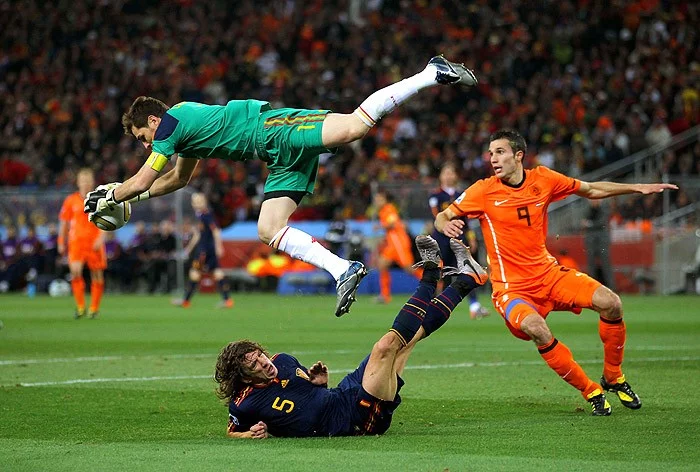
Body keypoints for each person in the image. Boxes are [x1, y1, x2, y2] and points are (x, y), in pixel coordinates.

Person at [83, 56, 478, 317]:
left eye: (143, 137)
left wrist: (111, 195)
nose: (146, 145)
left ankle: (430, 73)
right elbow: (178, 178)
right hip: (274, 155)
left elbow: (145, 175)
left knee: (353, 127)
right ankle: (343, 269)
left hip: (274, 129)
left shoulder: (170, 125)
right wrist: (135, 195)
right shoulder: (181, 129)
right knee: (268, 228)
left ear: (153, 122)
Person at [435, 129, 678, 415]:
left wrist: (636, 187)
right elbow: (443, 215)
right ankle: (591, 391)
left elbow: (591, 189)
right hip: (511, 289)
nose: (493, 159)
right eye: (491, 154)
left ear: (518, 155)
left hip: (549, 275)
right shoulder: (483, 190)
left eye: (500, 152)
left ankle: (613, 376)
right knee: (537, 328)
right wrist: (445, 224)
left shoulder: (544, 179)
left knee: (611, 303)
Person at [214, 235, 487, 438]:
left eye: (259, 355)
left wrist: (320, 384)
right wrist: (249, 434)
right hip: (354, 419)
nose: (264, 362)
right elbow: (231, 431)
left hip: (345, 392)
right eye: (254, 365)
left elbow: (309, 397)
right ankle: (431, 273)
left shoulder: (283, 361)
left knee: (410, 336)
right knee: (386, 346)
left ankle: (467, 280)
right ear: (245, 377)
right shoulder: (244, 403)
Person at [429, 163, 489, 319]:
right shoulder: (436, 195)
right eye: (445, 173)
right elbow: (436, 216)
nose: (448, 176)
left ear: (455, 176)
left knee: (467, 270)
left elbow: (467, 221)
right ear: (441, 176)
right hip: (441, 239)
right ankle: (435, 306)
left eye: (451, 173)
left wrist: (471, 238)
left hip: (459, 238)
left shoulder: (462, 195)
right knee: (441, 273)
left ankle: (474, 306)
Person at [58, 168, 107, 319]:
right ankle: (80, 307)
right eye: (83, 181)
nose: (85, 183)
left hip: (94, 242)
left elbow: (107, 220)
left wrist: (101, 238)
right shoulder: (70, 200)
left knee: (97, 275)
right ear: (78, 182)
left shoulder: (100, 199)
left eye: (88, 181)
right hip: (76, 242)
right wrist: (61, 242)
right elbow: (64, 223)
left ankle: (94, 308)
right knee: (75, 273)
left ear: (92, 182)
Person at [173, 193, 233, 308]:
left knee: (194, 273)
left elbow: (216, 231)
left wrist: (219, 247)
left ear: (204, 202)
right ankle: (227, 300)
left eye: (199, 201)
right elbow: (197, 235)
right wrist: (189, 249)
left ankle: (185, 301)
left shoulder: (207, 215)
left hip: (204, 252)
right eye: (195, 201)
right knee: (217, 273)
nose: (197, 203)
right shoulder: (200, 216)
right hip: (205, 250)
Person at [373, 190, 415, 304]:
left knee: (409, 269)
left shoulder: (389, 208)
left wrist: (379, 226)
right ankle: (384, 295)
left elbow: (392, 223)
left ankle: (435, 284)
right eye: (376, 199)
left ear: (385, 200)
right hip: (392, 244)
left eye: (379, 199)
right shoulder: (383, 211)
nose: (377, 201)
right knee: (382, 264)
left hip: (399, 243)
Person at [582, 199, 615, 289]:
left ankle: (611, 287)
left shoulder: (604, 208)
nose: (594, 201)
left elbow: (601, 222)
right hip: (591, 240)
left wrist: (589, 224)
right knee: (591, 264)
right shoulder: (588, 209)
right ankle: (592, 288)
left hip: (601, 240)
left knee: (606, 264)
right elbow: (583, 220)